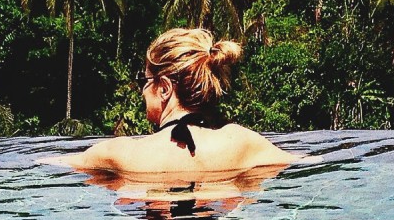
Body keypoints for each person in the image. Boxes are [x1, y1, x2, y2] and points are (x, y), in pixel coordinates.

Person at [64, 28, 295, 175]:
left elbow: (43, 165)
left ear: (164, 88)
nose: (142, 90)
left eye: (144, 80)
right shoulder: (243, 143)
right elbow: (314, 162)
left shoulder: (119, 153)